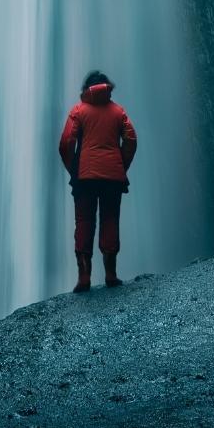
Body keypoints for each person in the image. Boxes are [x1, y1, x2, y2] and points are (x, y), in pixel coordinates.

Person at [57, 70, 137, 292]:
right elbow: (131, 139)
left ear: (86, 89)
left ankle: (84, 278)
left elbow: (65, 143)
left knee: (84, 222)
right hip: (113, 177)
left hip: (84, 178)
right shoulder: (118, 112)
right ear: (107, 88)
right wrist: (121, 164)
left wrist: (73, 168)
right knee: (110, 220)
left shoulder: (79, 111)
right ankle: (111, 274)